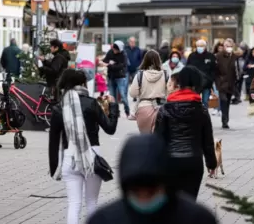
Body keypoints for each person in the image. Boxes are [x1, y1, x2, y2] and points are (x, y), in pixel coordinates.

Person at [87, 134, 218, 224]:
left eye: (151, 190)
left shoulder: (198, 219)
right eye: (137, 190)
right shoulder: (103, 220)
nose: (144, 197)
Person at [49, 69, 119, 224]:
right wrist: (113, 106)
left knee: (73, 204)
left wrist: (55, 168)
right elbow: (110, 128)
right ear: (82, 84)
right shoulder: (91, 103)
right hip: (92, 157)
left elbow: (53, 142)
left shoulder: (59, 107)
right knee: (92, 202)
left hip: (69, 158)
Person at [154, 66, 217, 200]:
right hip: (193, 162)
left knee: (170, 203)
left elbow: (157, 139)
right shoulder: (202, 110)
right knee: (189, 203)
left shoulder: (165, 109)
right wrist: (211, 163)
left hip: (170, 162)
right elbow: (208, 141)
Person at [129, 50, 167, 133]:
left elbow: (133, 93)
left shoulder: (140, 75)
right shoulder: (165, 75)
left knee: (146, 140)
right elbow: (170, 92)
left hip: (144, 108)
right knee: (160, 139)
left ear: (144, 60)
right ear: (158, 60)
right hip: (162, 108)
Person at [101, 41, 130, 117]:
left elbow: (121, 66)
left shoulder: (123, 54)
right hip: (111, 77)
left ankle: (127, 111)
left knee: (123, 96)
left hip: (120, 77)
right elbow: (105, 61)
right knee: (113, 97)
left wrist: (110, 65)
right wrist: (108, 63)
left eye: (116, 50)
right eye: (114, 49)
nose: (115, 51)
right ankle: (116, 112)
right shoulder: (110, 52)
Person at [215, 38, 239, 129]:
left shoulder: (234, 57)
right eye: (227, 46)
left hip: (231, 83)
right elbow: (215, 71)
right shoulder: (218, 56)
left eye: (230, 46)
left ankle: (225, 119)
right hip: (221, 83)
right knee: (223, 100)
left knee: (227, 101)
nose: (229, 48)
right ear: (223, 46)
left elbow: (237, 69)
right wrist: (217, 82)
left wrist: (237, 79)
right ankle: (224, 120)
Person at [186, 39, 217, 108]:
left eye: (202, 46)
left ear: (205, 47)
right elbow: (187, 68)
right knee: (194, 101)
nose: (200, 47)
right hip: (195, 84)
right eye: (198, 46)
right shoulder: (192, 56)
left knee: (205, 101)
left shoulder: (210, 56)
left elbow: (214, 69)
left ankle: (204, 116)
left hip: (207, 84)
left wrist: (211, 79)